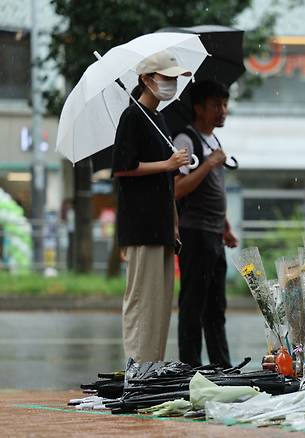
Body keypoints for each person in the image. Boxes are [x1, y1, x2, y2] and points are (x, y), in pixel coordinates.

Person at [112, 50, 190, 363]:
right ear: (146, 79)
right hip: (140, 224)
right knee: (141, 299)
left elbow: (167, 180)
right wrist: (166, 163)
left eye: (174, 79)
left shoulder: (158, 118)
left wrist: (174, 222)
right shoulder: (132, 116)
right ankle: (137, 366)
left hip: (160, 224)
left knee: (159, 302)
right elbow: (123, 167)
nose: (171, 84)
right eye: (166, 78)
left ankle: (152, 366)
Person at [173, 80, 238, 368]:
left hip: (213, 233)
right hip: (194, 232)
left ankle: (221, 368)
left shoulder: (215, 141)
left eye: (224, 105)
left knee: (216, 307)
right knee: (192, 306)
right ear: (198, 108)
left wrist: (225, 226)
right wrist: (209, 164)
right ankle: (190, 369)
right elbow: (177, 188)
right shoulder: (186, 140)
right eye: (215, 105)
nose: (222, 111)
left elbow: (214, 188)